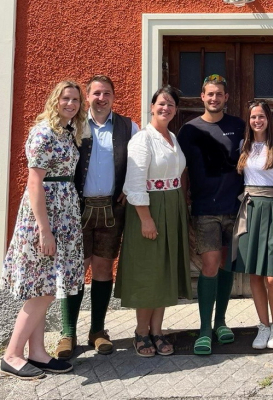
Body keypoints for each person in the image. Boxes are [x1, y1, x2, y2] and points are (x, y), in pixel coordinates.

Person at [1, 80, 86, 379]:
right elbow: (35, 183)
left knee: (45, 286)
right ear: (56, 99)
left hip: (63, 215)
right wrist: (44, 230)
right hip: (45, 217)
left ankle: (36, 352)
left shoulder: (66, 132)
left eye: (76, 99)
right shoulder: (44, 132)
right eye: (66, 98)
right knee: (44, 288)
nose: (71, 104)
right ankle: (12, 354)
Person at [55, 75, 139, 360]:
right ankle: (68, 333)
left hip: (112, 209)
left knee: (103, 270)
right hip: (77, 209)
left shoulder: (129, 127)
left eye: (106, 94)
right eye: (96, 94)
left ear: (114, 97)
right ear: (87, 97)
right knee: (76, 271)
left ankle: (98, 331)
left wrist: (130, 188)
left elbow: (140, 163)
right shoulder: (73, 125)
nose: (101, 99)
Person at [114, 86, 192, 357]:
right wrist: (146, 220)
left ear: (175, 109)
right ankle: (141, 332)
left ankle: (158, 330)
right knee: (149, 271)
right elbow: (134, 183)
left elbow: (177, 173)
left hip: (172, 206)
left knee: (165, 270)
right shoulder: (142, 139)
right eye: (161, 103)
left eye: (171, 104)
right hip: (148, 209)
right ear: (151, 106)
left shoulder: (171, 136)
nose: (165, 108)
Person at [178, 74, 245, 355]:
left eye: (219, 94)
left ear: (226, 97)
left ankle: (221, 322)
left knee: (227, 266)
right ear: (202, 97)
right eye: (210, 94)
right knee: (209, 266)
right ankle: (204, 328)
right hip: (205, 210)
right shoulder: (188, 130)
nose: (214, 98)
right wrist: (183, 200)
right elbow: (180, 170)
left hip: (235, 207)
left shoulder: (239, 126)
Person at [226, 101, 273, 350]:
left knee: (272, 276)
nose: (257, 121)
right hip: (250, 210)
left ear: (268, 119)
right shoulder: (244, 148)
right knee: (254, 273)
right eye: (253, 117)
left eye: (261, 116)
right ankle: (263, 325)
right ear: (249, 120)